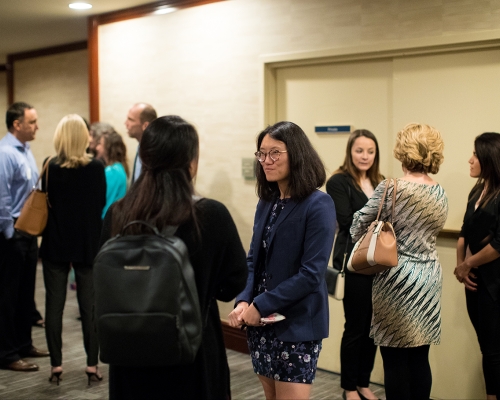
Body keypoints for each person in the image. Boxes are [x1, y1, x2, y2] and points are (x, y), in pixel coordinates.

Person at [100, 115, 248, 400]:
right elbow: (233, 283)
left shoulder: (118, 213)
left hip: (128, 350)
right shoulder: (211, 215)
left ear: (145, 157)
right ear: (191, 162)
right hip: (191, 352)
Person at [228, 121, 336, 400]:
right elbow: (253, 261)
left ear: (296, 154)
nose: (266, 160)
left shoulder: (318, 203)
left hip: (296, 323)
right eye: (261, 154)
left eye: (274, 153)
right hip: (260, 323)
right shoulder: (268, 201)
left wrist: (260, 304)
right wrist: (243, 300)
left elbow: (311, 274)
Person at [350, 123, 447, 400]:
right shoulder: (440, 193)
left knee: (394, 361)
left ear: (403, 150)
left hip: (396, 280)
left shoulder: (391, 188)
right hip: (428, 278)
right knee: (419, 358)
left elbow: (357, 226)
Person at [39, 114, 106, 385]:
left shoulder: (49, 166)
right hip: (87, 244)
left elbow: (47, 202)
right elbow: (100, 203)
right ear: (83, 137)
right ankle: (92, 365)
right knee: (90, 307)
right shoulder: (97, 167)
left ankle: (56, 366)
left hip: (55, 243)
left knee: (53, 308)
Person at [326, 129, 383, 400]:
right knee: (355, 327)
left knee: (373, 327)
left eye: (370, 151)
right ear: (350, 151)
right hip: (355, 264)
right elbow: (348, 222)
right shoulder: (339, 181)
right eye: (359, 150)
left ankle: (363, 382)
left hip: (380, 264)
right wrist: (380, 222)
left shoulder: (380, 181)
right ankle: (349, 387)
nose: (365, 156)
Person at [0, 102, 50, 372]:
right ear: (17, 124)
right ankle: (7, 354)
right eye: (32, 122)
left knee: (25, 294)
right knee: (7, 295)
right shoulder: (5, 153)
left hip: (28, 233)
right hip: (12, 234)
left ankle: (23, 344)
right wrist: (10, 233)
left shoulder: (26, 151)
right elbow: (2, 197)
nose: (36, 126)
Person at [454, 132, 500, 399]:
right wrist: (462, 265)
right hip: (473, 281)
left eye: (475, 155)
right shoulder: (477, 189)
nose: (470, 160)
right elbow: (464, 231)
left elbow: (498, 245)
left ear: (489, 159)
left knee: (495, 351)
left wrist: (467, 264)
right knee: (487, 348)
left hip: (494, 283)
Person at [95, 131, 129, 218]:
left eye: (100, 144)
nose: (97, 148)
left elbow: (103, 200)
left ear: (108, 148)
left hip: (108, 220)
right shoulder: (119, 168)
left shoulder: (112, 172)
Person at [125, 103, 157, 184]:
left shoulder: (155, 153)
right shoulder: (140, 147)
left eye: (130, 120)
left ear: (145, 125)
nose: (126, 123)